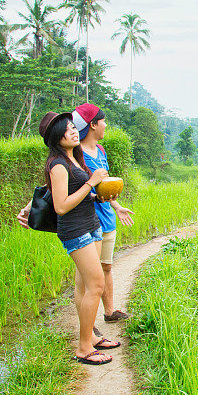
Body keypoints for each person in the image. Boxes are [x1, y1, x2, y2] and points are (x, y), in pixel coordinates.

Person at [37, 111, 119, 365]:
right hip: (76, 230)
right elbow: (61, 206)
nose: (73, 131)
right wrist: (91, 183)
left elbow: (80, 195)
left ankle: (92, 339)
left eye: (74, 127)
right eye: (67, 129)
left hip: (92, 225)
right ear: (56, 137)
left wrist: (99, 196)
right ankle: (84, 347)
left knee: (85, 286)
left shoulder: (75, 159)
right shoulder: (58, 164)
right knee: (96, 285)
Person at [72, 103, 134, 323]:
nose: (106, 125)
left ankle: (109, 312)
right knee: (86, 277)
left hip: (106, 219)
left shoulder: (101, 151)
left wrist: (117, 207)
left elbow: (104, 186)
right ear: (93, 124)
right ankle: (86, 327)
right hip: (87, 221)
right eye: (103, 121)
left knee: (106, 267)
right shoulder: (75, 154)